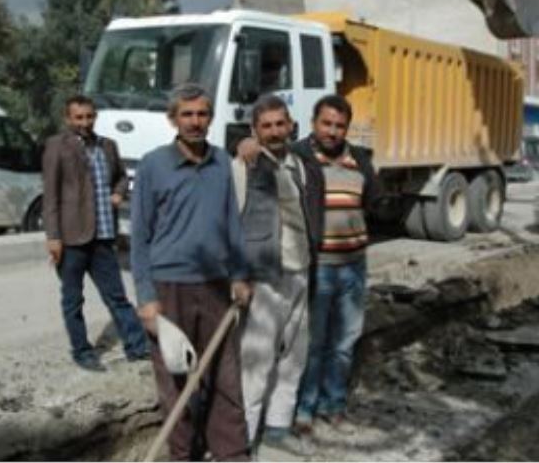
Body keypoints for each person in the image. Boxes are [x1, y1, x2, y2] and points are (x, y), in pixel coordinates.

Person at [238, 94, 377, 433]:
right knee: (287, 349)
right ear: (313, 124)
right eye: (326, 123)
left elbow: (371, 203)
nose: (332, 131)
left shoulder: (351, 159)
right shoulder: (280, 158)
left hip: (337, 265)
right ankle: (275, 422)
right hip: (298, 269)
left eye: (339, 125)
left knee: (327, 346)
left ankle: (314, 411)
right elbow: (235, 212)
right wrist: (243, 142)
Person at [130, 83, 252, 461]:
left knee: (225, 379)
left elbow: (232, 224)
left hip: (216, 287)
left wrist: (240, 273)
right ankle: (183, 454)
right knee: (176, 383)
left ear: (211, 118)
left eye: (202, 114)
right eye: (187, 114)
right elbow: (139, 236)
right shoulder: (154, 165)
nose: (195, 122)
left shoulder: (220, 164)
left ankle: (232, 453)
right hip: (169, 289)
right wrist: (147, 298)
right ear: (173, 119)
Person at [233, 94, 323, 456]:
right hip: (264, 274)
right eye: (265, 126)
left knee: (294, 354)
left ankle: (277, 425)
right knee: (256, 359)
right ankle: (242, 439)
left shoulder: (301, 164)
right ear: (254, 130)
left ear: (290, 126)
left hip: (301, 268)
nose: (274, 131)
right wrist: (238, 275)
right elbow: (231, 222)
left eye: (279, 124)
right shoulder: (244, 165)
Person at [42, 94, 148, 372]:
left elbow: (123, 177)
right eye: (79, 117)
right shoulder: (57, 146)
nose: (85, 122)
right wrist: (53, 237)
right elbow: (50, 195)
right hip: (71, 238)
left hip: (103, 236)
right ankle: (82, 351)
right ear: (68, 118)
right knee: (73, 300)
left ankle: (138, 346)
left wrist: (118, 193)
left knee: (117, 296)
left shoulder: (107, 146)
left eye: (89, 116)